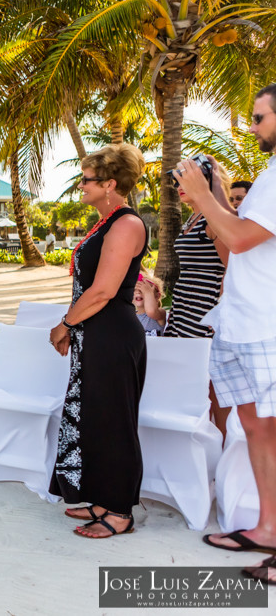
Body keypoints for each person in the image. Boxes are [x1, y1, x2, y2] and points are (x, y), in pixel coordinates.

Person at [182, 85, 276, 585]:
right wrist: (215, 197)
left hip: (268, 326)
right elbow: (239, 236)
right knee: (258, 429)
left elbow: (239, 238)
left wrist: (202, 198)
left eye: (260, 117)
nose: (254, 124)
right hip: (240, 322)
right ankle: (267, 529)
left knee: (272, 431)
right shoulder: (267, 176)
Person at [48, 143, 148, 539]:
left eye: (86, 180)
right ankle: (102, 498)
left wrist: (64, 324)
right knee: (94, 418)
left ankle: (120, 511)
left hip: (112, 336)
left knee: (114, 422)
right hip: (96, 334)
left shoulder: (127, 224)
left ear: (109, 183)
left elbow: (104, 290)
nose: (80, 187)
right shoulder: (105, 223)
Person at [164, 155, 231, 434]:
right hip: (183, 313)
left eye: (185, 177)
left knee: (215, 395)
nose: (178, 184)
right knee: (190, 394)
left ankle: (227, 464)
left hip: (206, 317)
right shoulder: (194, 216)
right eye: (176, 179)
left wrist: (222, 323)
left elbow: (231, 269)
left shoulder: (213, 217)